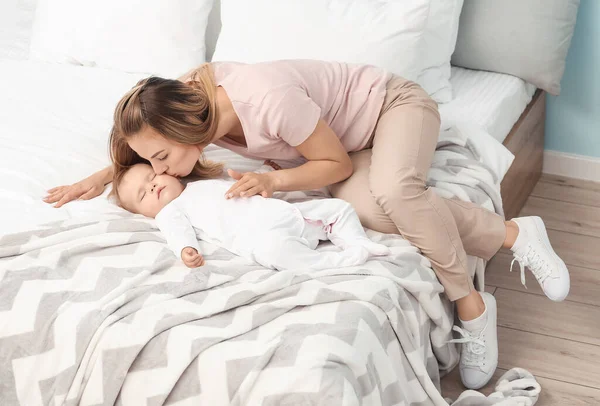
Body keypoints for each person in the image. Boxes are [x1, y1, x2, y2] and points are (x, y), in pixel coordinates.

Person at [44, 60, 570, 389]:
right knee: (377, 213)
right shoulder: (185, 96)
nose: (158, 172)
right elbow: (144, 138)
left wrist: (272, 184)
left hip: (392, 108)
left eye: (159, 159)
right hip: (346, 141)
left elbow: (336, 166)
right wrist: (105, 178)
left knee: (394, 191)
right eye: (150, 164)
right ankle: (512, 234)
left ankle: (472, 306)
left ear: (184, 128)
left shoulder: (265, 101)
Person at [112, 162, 390, 271]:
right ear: (145, 213)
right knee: (279, 253)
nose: (151, 186)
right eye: (142, 194)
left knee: (339, 209)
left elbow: (245, 181)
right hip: (265, 236)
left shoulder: (198, 184)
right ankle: (342, 260)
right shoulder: (170, 212)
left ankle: (356, 241)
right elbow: (177, 232)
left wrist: (264, 170)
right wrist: (186, 249)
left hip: (288, 214)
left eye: (150, 177)